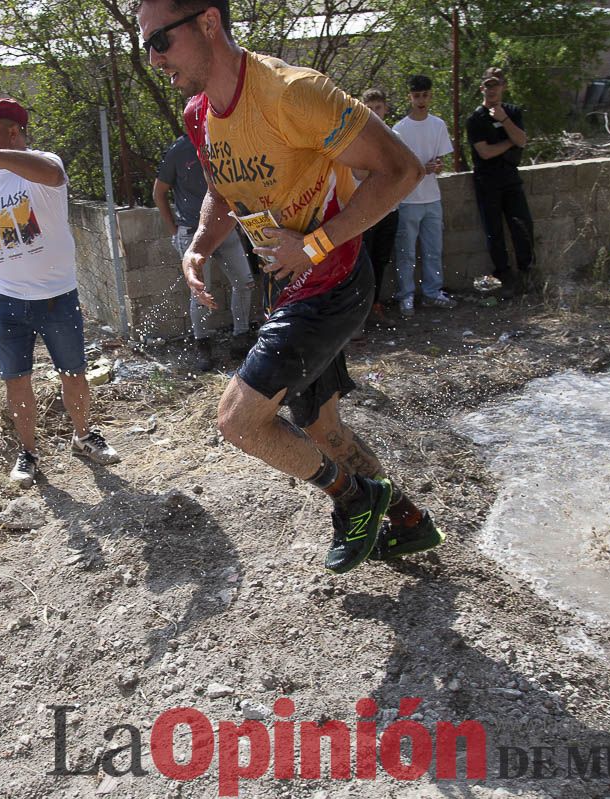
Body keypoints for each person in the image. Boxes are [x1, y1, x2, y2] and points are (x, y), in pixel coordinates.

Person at [135, 0, 445, 572]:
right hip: (291, 283)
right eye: (145, 45)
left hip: (334, 280)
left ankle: (356, 498)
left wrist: (314, 245)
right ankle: (405, 520)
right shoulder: (199, 115)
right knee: (321, 427)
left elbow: (399, 170)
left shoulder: (293, 93)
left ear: (207, 23)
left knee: (237, 421)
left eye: (160, 42)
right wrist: (200, 246)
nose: (153, 59)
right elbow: (223, 193)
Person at [0, 98, 119, 488]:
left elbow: (53, 174)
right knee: (16, 380)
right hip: (7, 299)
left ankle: (83, 436)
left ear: (13, 130)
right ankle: (27, 453)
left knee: (73, 372)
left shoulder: (42, 164)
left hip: (57, 296)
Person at [154, 131, 256, 371]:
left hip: (226, 228)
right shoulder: (178, 150)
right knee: (200, 291)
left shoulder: (223, 142)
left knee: (245, 281)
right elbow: (159, 192)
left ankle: (241, 336)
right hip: (192, 233)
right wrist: (174, 232)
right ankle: (203, 344)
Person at [466, 67, 534, 296]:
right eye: (488, 85)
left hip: (510, 178)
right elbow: (484, 152)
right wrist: (509, 143)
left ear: (503, 86)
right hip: (487, 180)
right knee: (494, 231)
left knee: (522, 225)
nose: (492, 89)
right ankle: (503, 276)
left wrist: (504, 120)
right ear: (482, 88)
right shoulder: (475, 119)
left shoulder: (512, 112)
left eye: (496, 84)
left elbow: (522, 140)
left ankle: (527, 272)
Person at [391, 74, 456, 317]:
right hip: (409, 199)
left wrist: (437, 166)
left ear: (430, 96)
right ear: (410, 97)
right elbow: (399, 167)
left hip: (432, 197)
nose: (421, 100)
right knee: (406, 251)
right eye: (417, 96)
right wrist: (422, 169)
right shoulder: (399, 129)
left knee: (433, 248)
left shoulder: (438, 124)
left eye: (425, 95)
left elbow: (441, 158)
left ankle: (432, 292)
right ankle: (406, 294)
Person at [358, 88, 398, 328]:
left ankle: (375, 305)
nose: (374, 112)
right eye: (370, 108)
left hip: (390, 209)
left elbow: (401, 172)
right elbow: (360, 173)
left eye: (378, 108)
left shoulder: (393, 135)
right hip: (364, 211)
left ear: (385, 109)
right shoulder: (356, 137)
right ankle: (360, 312)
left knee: (381, 259)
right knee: (365, 263)